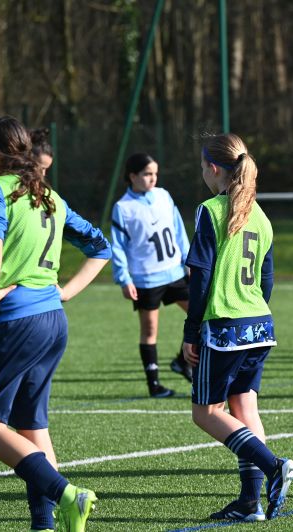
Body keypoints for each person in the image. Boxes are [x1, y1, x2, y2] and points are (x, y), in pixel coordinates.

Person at [0, 115, 110, 531]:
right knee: (31, 425)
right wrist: (65, 292)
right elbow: (100, 247)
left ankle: (67, 495)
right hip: (53, 320)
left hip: (17, 323)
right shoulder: (48, 195)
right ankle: (45, 523)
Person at [182, 133, 293, 521]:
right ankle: (250, 503)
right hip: (259, 324)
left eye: (203, 167)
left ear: (214, 169)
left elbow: (200, 276)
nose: (203, 173)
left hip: (225, 326)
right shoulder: (260, 216)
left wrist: (191, 331)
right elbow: (267, 279)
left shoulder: (210, 210)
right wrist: (254, 310)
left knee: (205, 412)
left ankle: (273, 466)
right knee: (244, 406)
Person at [111, 153, 193, 398]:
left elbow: (179, 230)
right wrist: (124, 278)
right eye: (147, 174)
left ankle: (182, 362)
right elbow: (118, 247)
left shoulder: (163, 195)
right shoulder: (123, 208)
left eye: (155, 173)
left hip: (175, 273)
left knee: (202, 314)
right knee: (149, 330)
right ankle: (154, 385)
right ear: (132, 176)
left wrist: (189, 260)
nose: (152, 178)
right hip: (146, 279)